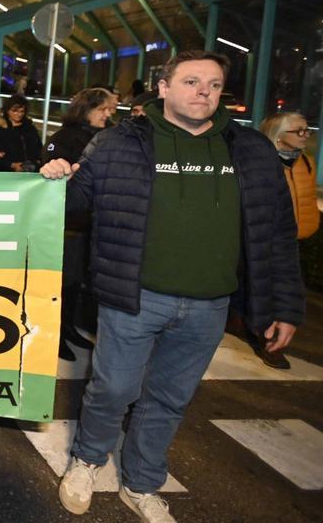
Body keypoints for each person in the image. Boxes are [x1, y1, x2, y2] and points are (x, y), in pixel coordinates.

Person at [41, 51, 304, 522]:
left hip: (209, 306)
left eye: (214, 84)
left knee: (168, 399)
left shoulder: (250, 150)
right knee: (112, 388)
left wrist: (285, 304)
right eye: (191, 81)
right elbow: (74, 205)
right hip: (133, 298)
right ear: (163, 88)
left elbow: (277, 231)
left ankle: (141, 484)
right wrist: (56, 180)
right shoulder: (116, 144)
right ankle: (87, 461)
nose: (203, 91)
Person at [224, 112, 319, 368]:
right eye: (298, 131)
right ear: (278, 135)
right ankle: (261, 335)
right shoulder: (259, 164)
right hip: (261, 239)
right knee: (257, 288)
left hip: (291, 236)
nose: (305, 135)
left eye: (307, 130)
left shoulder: (306, 162)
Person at [42, 87, 114, 360]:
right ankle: (54, 335)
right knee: (62, 283)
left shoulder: (106, 136)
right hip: (67, 226)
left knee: (76, 284)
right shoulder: (64, 139)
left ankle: (68, 328)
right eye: (103, 109)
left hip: (93, 225)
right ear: (87, 109)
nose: (108, 115)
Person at [0, 95, 42, 171]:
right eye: (15, 111)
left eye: (22, 111)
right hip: (8, 172)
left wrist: (37, 162)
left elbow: (39, 147)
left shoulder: (30, 128)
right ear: (7, 110)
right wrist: (11, 165)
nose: (19, 114)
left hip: (31, 170)